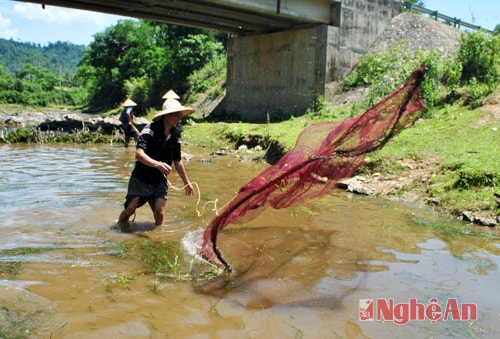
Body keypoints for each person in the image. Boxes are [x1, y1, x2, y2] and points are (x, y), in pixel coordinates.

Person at [118, 98, 195, 232]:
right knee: (130, 209)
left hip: (160, 180)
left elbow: (177, 160)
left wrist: (186, 182)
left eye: (180, 115)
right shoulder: (150, 130)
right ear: (166, 115)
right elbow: (139, 154)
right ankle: (120, 225)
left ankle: (158, 239)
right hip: (141, 177)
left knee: (159, 212)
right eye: (176, 115)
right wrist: (157, 164)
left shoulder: (175, 134)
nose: (179, 118)